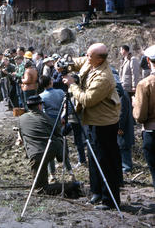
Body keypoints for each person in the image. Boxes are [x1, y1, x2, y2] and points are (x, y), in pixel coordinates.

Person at [63, 43, 122, 210]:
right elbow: (79, 61)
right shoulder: (92, 61)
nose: (86, 57)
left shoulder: (104, 77)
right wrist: (65, 64)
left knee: (105, 161)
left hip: (104, 123)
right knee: (94, 159)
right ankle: (96, 192)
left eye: (90, 55)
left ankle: (110, 200)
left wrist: (71, 84)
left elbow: (87, 99)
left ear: (100, 58)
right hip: (91, 121)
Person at [19, 95, 81, 196]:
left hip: (36, 155)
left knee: (40, 189)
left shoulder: (21, 119)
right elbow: (58, 133)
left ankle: (72, 186)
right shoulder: (45, 117)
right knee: (41, 186)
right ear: (39, 106)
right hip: (50, 150)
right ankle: (71, 185)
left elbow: (23, 138)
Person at [39, 75, 73, 182]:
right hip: (60, 122)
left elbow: (42, 112)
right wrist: (63, 116)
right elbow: (69, 107)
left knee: (49, 148)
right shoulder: (60, 92)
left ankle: (52, 175)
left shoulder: (41, 96)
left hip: (49, 124)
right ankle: (70, 172)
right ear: (50, 82)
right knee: (62, 146)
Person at [133, 45, 155, 189]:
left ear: (148, 60)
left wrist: (135, 104)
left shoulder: (145, 84)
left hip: (152, 133)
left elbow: (140, 116)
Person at [112, 68, 135, 174]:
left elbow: (121, 112)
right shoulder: (120, 91)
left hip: (123, 126)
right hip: (123, 125)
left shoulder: (119, 92)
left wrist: (119, 127)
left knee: (123, 146)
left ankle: (126, 167)